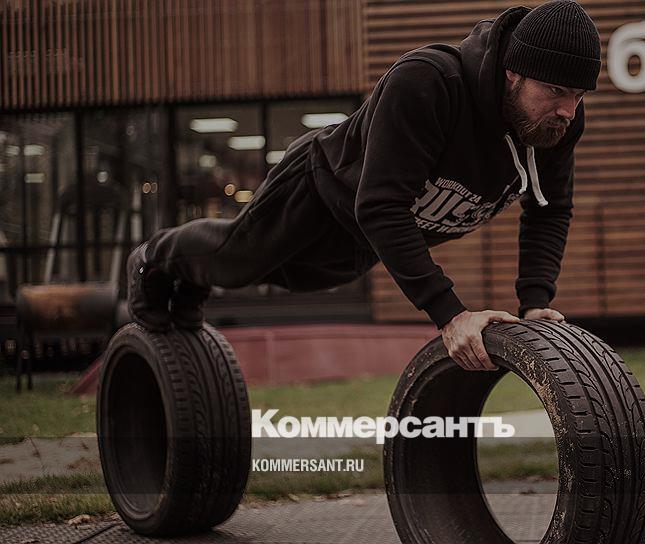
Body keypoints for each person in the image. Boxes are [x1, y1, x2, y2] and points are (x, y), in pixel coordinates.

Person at [127, 0, 601, 372]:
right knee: (239, 260)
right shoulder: (428, 83)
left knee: (293, 278)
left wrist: (535, 302)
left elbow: (549, 208)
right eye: (555, 91)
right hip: (320, 188)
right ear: (513, 71)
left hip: (366, 236)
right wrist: (450, 314)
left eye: (578, 96)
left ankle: (190, 282)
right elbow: (381, 205)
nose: (568, 110)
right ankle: (152, 258)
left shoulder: (555, 126)